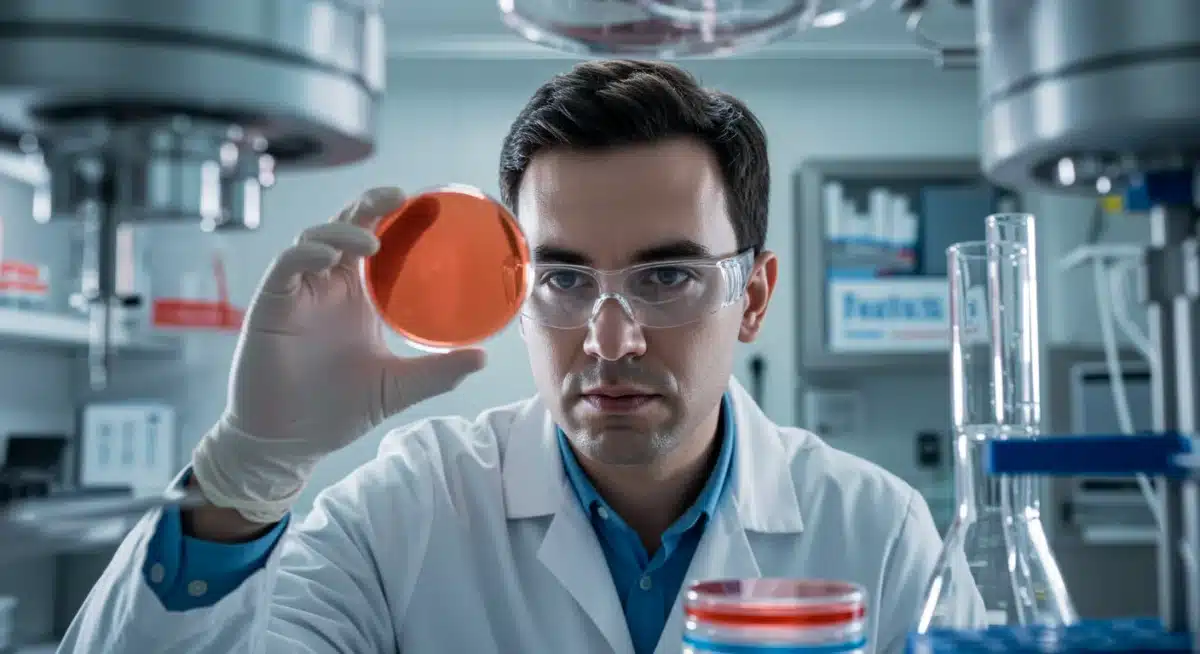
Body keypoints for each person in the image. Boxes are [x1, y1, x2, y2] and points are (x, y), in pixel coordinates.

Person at [59, 59, 971, 654]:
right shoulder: (402, 514)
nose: (610, 340)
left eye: (667, 279)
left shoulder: (877, 536)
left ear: (754, 298)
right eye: (564, 280)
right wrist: (247, 473)